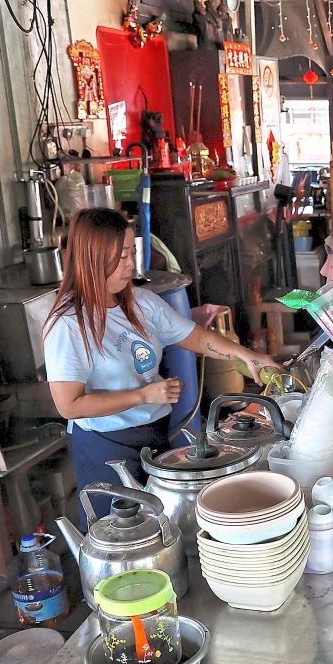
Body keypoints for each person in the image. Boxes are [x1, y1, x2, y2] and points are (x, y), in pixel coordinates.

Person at [43, 208, 279, 521]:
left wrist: (247, 355)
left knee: (161, 527)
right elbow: (69, 405)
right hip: (105, 447)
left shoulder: (141, 302)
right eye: (121, 256)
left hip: (154, 434)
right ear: (93, 257)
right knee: (121, 536)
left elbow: (194, 338)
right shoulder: (68, 324)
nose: (130, 264)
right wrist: (143, 395)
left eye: (132, 252)